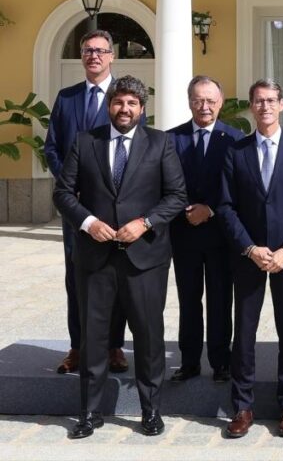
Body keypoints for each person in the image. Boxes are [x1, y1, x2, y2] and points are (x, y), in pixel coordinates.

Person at [53, 75, 187, 439]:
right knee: (94, 338)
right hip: (95, 258)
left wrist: (144, 223)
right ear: (109, 105)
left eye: (131, 104)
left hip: (145, 259)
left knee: (148, 336)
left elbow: (176, 196)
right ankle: (90, 412)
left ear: (142, 109)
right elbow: (63, 193)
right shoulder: (85, 142)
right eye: (118, 102)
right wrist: (88, 222)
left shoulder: (161, 143)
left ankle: (151, 410)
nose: (124, 109)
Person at [219, 79, 283, 439]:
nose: (264, 107)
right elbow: (226, 207)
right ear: (251, 106)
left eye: (271, 100)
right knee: (243, 333)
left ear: (282, 105)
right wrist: (250, 247)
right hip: (249, 256)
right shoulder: (236, 151)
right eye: (258, 101)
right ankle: (242, 406)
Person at [44, 29, 130, 375]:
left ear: (111, 56)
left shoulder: (124, 97)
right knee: (76, 277)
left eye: (100, 50)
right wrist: (69, 185)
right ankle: (78, 347)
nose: (93, 56)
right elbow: (52, 147)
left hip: (115, 206)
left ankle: (113, 346)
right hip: (76, 208)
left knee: (117, 276)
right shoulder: (66, 98)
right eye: (87, 50)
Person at [167, 75, 245, 383]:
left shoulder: (235, 139)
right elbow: (168, 182)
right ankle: (188, 361)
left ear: (221, 102)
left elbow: (238, 184)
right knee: (188, 299)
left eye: (211, 100)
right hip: (183, 230)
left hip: (220, 234)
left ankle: (221, 361)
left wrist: (209, 209)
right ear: (189, 102)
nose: (205, 106)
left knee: (220, 298)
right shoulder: (171, 139)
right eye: (198, 100)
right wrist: (188, 209)